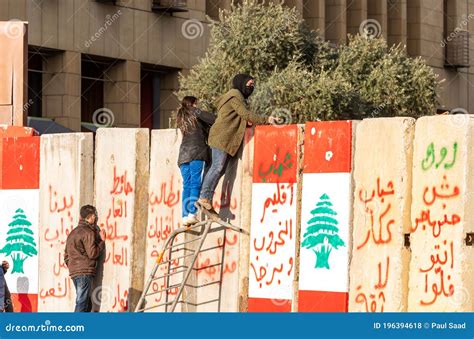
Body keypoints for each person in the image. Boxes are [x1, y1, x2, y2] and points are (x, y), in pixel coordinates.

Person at [197, 73, 275, 210]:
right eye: (250, 85)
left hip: (223, 137)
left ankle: (206, 198)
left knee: (219, 170)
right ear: (241, 83)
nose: (252, 87)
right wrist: (266, 120)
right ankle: (204, 197)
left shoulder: (235, 97)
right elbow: (245, 114)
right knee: (217, 167)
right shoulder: (234, 96)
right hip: (221, 137)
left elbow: (236, 118)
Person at [177, 96, 216, 226]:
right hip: (196, 153)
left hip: (183, 155)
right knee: (195, 184)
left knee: (186, 185)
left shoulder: (181, 116)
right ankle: (192, 214)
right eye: (196, 104)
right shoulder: (194, 111)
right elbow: (213, 119)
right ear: (193, 104)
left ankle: (184, 216)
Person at [64, 205, 106, 312]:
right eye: (93, 216)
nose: (95, 218)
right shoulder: (88, 232)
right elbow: (92, 253)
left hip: (75, 272)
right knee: (82, 303)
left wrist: (73, 266)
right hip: (84, 272)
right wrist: (102, 241)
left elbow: (66, 256)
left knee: (87, 304)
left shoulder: (72, 233)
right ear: (88, 217)